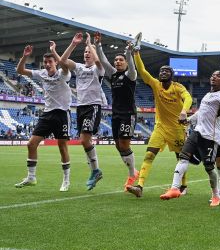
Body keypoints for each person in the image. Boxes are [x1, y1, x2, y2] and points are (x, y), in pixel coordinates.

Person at [126, 38, 193, 198]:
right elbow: (142, 71)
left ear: (172, 75)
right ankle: (140, 187)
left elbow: (188, 97)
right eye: (161, 71)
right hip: (160, 127)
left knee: (180, 158)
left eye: (167, 71)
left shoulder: (178, 87)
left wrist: (184, 110)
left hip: (177, 128)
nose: (163, 72)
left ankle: (183, 186)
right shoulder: (155, 84)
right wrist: (136, 53)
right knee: (149, 155)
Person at [159, 71, 220, 207]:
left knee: (209, 168)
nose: (214, 77)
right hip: (197, 132)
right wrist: (188, 120)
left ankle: (216, 195)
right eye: (213, 75)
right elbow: (200, 113)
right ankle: (174, 188)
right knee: (183, 156)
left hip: (210, 137)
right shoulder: (207, 94)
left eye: (218, 76)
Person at [14, 43, 73, 191]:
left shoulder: (63, 73)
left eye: (50, 62)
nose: (47, 64)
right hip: (47, 114)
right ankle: (31, 177)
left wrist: (54, 51)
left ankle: (66, 180)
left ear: (55, 63)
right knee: (31, 144)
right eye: (45, 62)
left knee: (62, 146)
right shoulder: (41, 73)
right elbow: (20, 70)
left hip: (62, 113)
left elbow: (65, 65)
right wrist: (25, 56)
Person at [59, 32, 106, 190]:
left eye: (89, 51)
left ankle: (96, 171)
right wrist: (73, 44)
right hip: (80, 107)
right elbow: (62, 61)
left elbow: (99, 61)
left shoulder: (98, 70)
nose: (87, 53)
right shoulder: (78, 67)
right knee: (85, 141)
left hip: (93, 106)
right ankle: (95, 171)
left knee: (84, 140)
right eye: (85, 51)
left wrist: (90, 44)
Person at [93, 32, 139, 191]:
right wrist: (98, 45)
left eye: (121, 60)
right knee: (119, 146)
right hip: (116, 115)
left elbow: (132, 65)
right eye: (116, 60)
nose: (118, 62)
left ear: (126, 62)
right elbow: (103, 61)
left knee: (125, 144)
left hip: (128, 114)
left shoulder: (131, 75)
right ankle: (133, 171)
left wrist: (128, 51)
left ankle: (132, 173)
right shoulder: (113, 75)